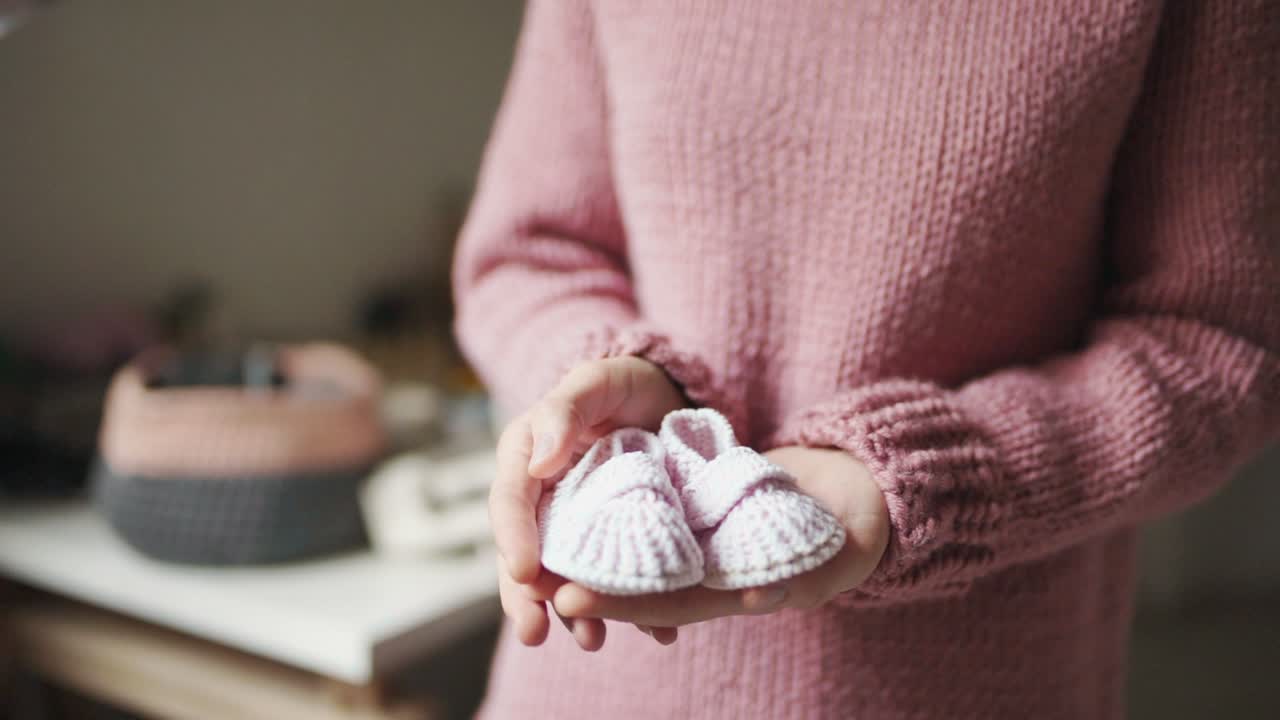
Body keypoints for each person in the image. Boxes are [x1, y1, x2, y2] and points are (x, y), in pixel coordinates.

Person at [452, 1, 1279, 718]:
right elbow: (528, 253)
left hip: (970, 687)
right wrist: (606, 375)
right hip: (591, 683)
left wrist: (929, 479)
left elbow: (1219, 341)